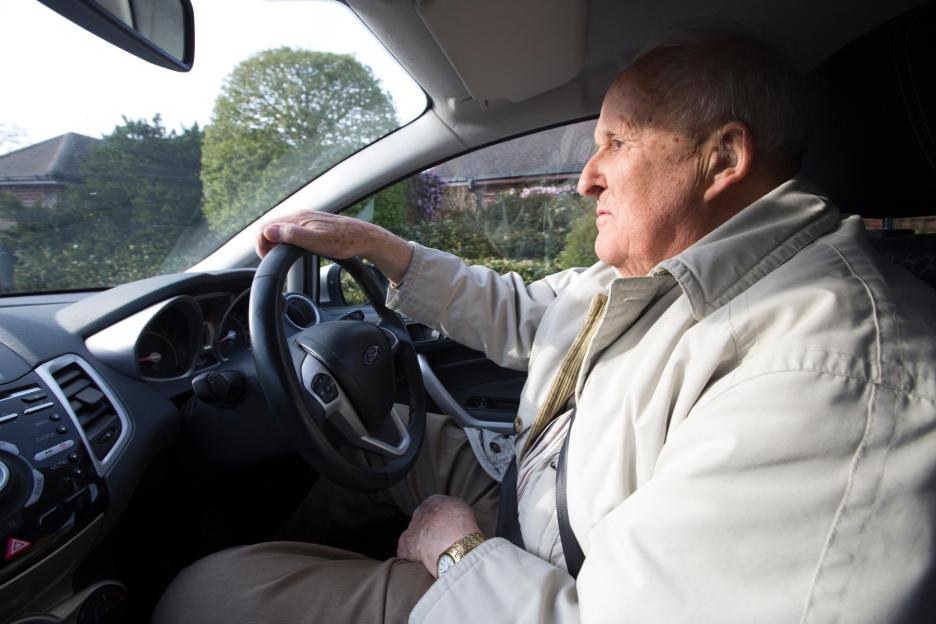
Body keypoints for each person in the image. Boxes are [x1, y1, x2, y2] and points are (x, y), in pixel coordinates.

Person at [155, 34, 936, 623]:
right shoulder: (678, 268)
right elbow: (530, 314)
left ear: (722, 157)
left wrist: (454, 553)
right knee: (375, 423)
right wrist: (380, 249)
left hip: (536, 581)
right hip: (536, 503)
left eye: (616, 143)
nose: (584, 176)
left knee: (205, 593)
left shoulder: (826, 371)